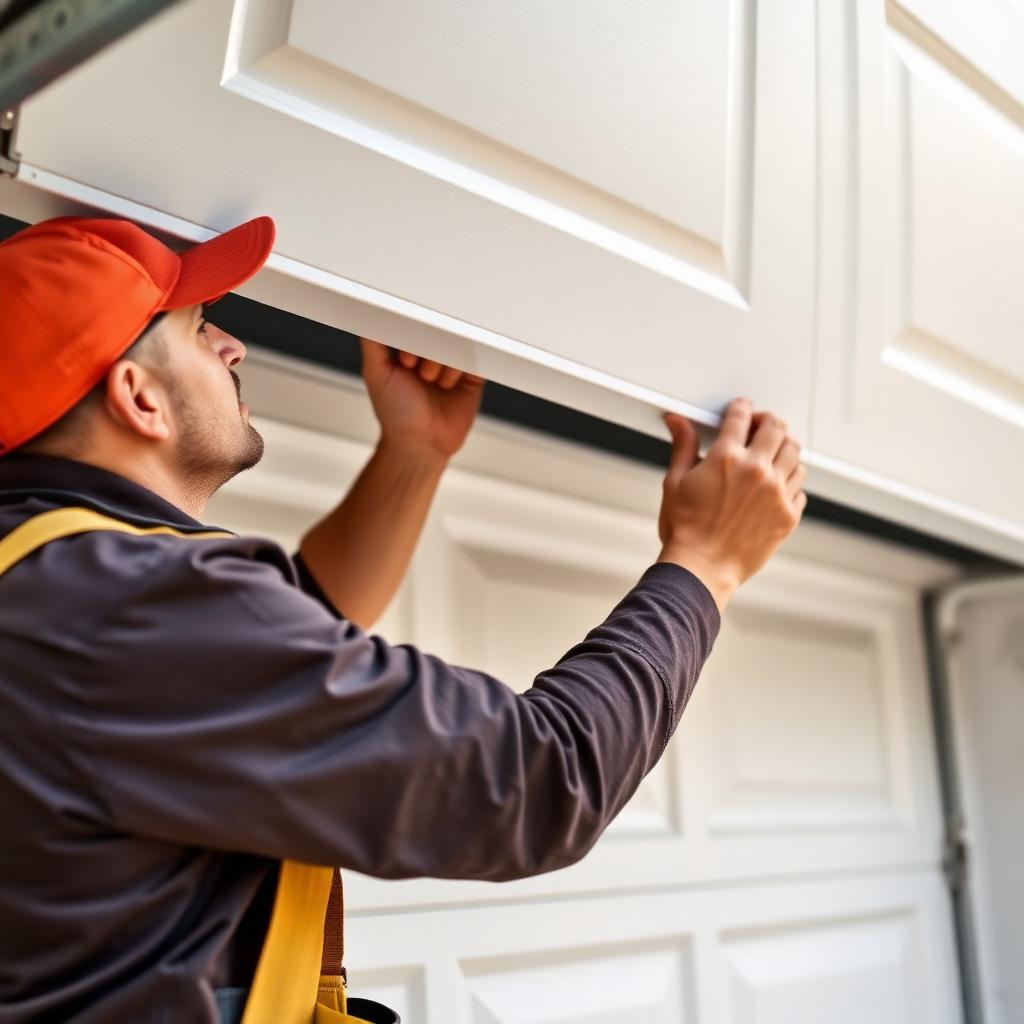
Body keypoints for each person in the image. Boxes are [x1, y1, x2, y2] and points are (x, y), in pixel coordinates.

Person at [0, 214, 807, 1023]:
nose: (232, 347)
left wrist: (414, 452)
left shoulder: (49, 585)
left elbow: (279, 668)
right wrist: (706, 562)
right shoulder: (130, 607)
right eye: (199, 328)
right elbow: (540, 778)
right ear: (138, 397)